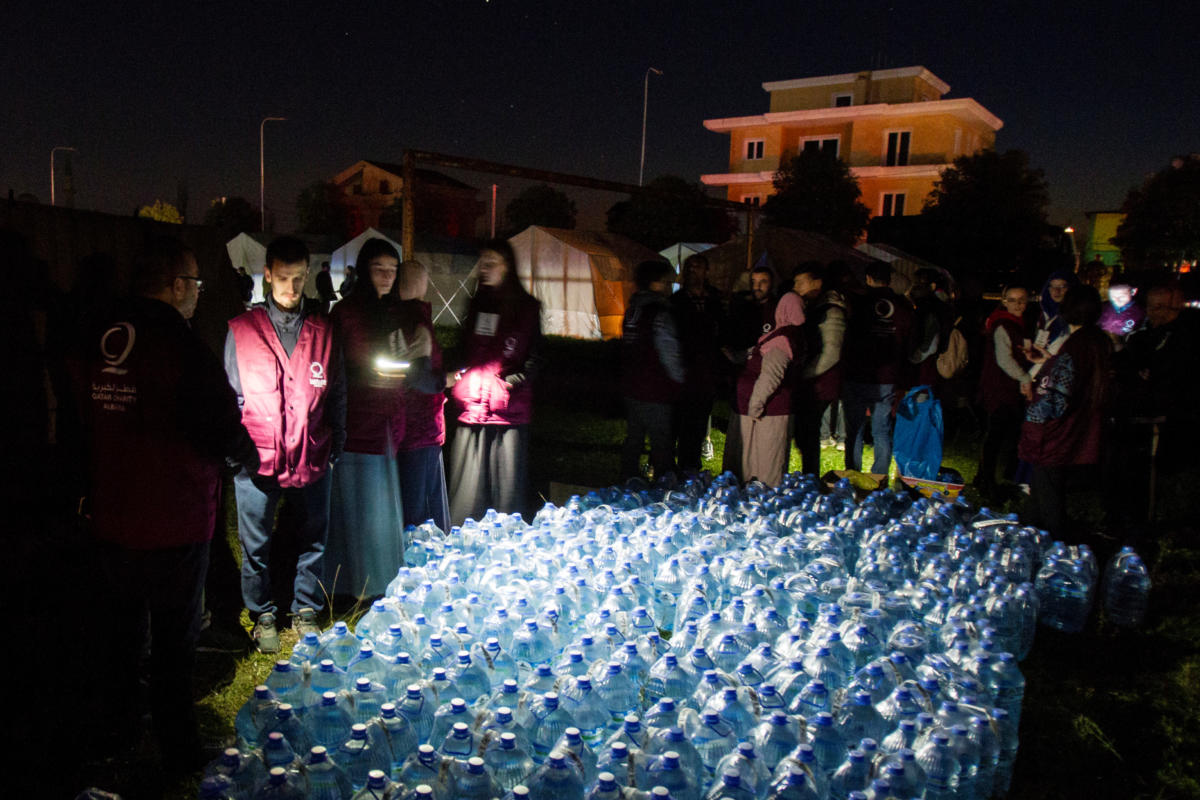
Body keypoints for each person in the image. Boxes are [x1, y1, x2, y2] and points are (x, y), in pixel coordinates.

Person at [78, 236, 258, 772]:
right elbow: (220, 423)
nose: (199, 294)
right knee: (175, 642)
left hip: (112, 513)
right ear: (177, 285)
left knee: (121, 634)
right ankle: (178, 750)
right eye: (197, 284)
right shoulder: (179, 344)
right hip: (172, 518)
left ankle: (118, 732)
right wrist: (245, 455)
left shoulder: (102, 333)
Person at [225, 236, 346, 651]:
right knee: (255, 542)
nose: (292, 290)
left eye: (299, 279)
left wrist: (337, 445)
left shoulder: (323, 332)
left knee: (313, 536)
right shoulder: (242, 331)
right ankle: (262, 613)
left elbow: (338, 393)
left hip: (312, 454)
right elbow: (229, 396)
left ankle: (305, 608)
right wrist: (235, 452)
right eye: (283, 279)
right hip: (257, 459)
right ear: (268, 276)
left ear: (308, 275)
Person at [324, 239, 406, 600]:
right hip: (356, 421)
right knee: (355, 504)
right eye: (379, 268)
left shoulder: (392, 310)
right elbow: (335, 365)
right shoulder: (347, 313)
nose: (387, 276)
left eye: (393, 269)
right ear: (363, 270)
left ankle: (378, 577)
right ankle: (348, 581)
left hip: (386, 419)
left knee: (379, 506)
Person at [448, 239, 542, 523]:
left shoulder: (526, 307)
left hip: (508, 411)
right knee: (466, 495)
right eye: (482, 263)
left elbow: (536, 355)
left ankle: (504, 546)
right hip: (472, 408)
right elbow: (464, 348)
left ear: (508, 266)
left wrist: (515, 380)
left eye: (492, 263)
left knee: (506, 494)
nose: (484, 269)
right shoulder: (476, 303)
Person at [1019, 286, 1112, 539]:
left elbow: (1057, 395)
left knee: (1049, 496)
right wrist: (1049, 360)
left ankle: (1056, 550)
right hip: (1078, 425)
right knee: (1041, 491)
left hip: (1057, 432)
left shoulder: (1075, 346)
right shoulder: (1097, 341)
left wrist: (1034, 412)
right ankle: (1027, 533)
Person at [394, 259, 453, 534]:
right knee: (423, 515)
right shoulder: (418, 322)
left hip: (397, 427)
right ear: (422, 283)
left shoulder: (388, 320)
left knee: (406, 505)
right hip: (422, 431)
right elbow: (422, 379)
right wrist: (447, 380)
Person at [723, 291, 805, 486]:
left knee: (766, 461)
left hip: (769, 410)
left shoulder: (783, 339)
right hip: (754, 406)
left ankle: (761, 499)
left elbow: (771, 375)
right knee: (749, 459)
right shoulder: (780, 334)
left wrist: (756, 404)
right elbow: (756, 356)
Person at [841, 262, 913, 475]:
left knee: (855, 429)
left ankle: (852, 476)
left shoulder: (859, 302)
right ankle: (879, 478)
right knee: (882, 430)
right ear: (889, 280)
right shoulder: (902, 306)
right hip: (887, 377)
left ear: (869, 279)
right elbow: (909, 340)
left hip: (858, 373)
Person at [620, 260, 685, 481]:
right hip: (656, 388)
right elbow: (669, 351)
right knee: (661, 441)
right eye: (667, 282)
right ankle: (662, 488)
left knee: (634, 439)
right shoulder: (660, 312)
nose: (670, 288)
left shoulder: (632, 310)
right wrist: (679, 379)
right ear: (654, 283)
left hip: (632, 386)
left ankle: (627, 483)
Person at [974, 285, 1032, 501]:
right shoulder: (1003, 325)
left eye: (1022, 300)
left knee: (995, 437)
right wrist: (1024, 377)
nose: (1018, 304)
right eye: (1013, 300)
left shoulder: (1016, 325)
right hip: (1000, 389)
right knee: (996, 438)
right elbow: (1004, 359)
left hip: (1005, 388)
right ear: (1004, 301)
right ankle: (988, 483)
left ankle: (984, 478)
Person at [792, 263, 848, 475]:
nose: (796, 286)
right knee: (805, 434)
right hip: (814, 381)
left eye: (800, 282)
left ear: (817, 282)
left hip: (821, 383)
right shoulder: (816, 307)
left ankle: (810, 477)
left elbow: (831, 352)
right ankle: (809, 475)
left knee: (808, 433)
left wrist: (805, 375)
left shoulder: (830, 310)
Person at [670, 253, 723, 471]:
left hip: (707, 369)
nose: (693, 271)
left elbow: (721, 328)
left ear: (706, 271)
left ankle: (691, 465)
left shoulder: (714, 299)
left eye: (698, 267)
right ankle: (669, 465)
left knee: (700, 420)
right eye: (689, 268)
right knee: (678, 420)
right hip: (685, 367)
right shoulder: (677, 300)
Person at [1098, 282, 1144, 347]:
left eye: (1122, 296)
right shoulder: (1103, 307)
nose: (1117, 300)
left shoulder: (1140, 312)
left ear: (1133, 291)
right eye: (1113, 296)